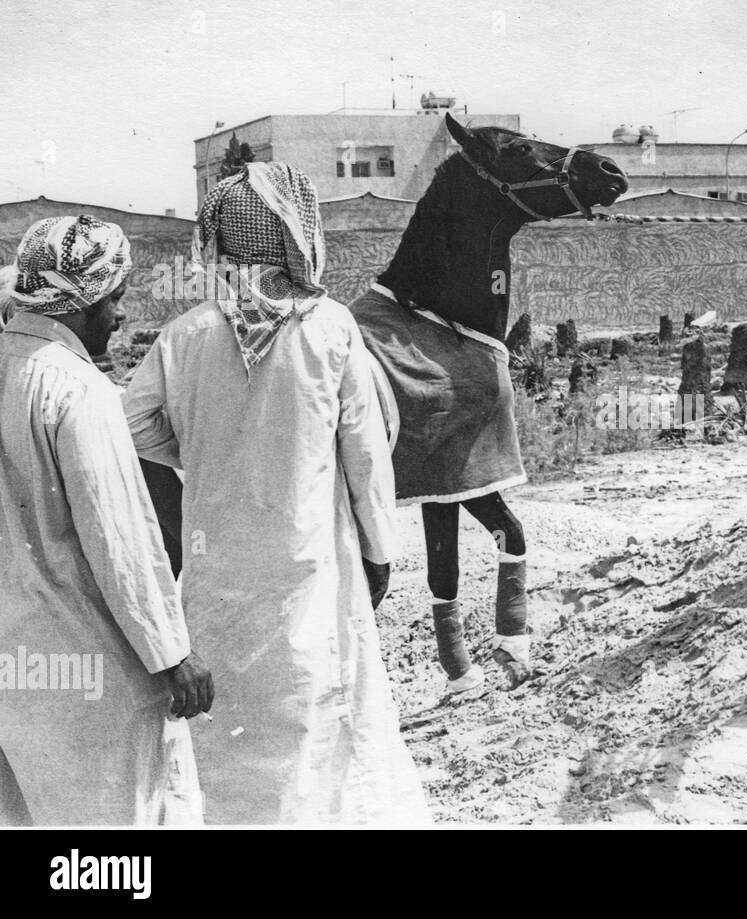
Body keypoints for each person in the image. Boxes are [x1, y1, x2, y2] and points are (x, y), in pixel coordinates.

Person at [122, 163, 429, 825]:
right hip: (311, 572)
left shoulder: (185, 335)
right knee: (319, 726)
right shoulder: (332, 329)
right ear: (300, 230)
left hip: (217, 583)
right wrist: (379, 552)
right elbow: (366, 458)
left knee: (230, 742)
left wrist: (205, 457)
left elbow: (133, 425)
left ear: (221, 243)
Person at [0, 215, 211, 825]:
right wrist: (173, 654)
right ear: (83, 298)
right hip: (93, 667)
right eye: (116, 297)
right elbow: (119, 540)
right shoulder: (76, 389)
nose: (121, 316)